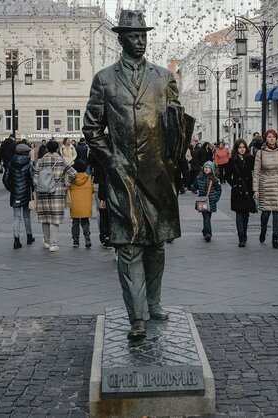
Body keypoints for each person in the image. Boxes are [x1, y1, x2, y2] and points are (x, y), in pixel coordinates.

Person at [83, 9, 189, 340]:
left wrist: (176, 124)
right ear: (121, 39)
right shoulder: (105, 79)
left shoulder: (163, 77)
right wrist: (111, 158)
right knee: (129, 247)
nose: (140, 40)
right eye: (133, 35)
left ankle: (154, 303)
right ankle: (136, 316)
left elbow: (176, 121)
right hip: (122, 175)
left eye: (143, 35)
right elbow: (91, 127)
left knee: (157, 245)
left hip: (157, 175)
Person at [35, 140, 76, 252]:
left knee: (45, 218)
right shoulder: (61, 161)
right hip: (56, 192)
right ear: (57, 148)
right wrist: (66, 185)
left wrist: (38, 187)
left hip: (43, 192)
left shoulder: (40, 161)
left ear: (47, 148)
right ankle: (53, 244)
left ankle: (47, 241)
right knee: (54, 219)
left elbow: (35, 178)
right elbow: (73, 173)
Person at [253, 129, 278, 249]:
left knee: (277, 212)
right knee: (265, 212)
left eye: (273, 137)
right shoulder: (260, 153)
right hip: (266, 183)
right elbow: (257, 172)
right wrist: (256, 189)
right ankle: (263, 230)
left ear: (277, 138)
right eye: (269, 137)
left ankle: (275, 237)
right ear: (266, 138)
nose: (272, 139)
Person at [226, 139, 256, 247]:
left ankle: (244, 232)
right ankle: (241, 236)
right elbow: (227, 176)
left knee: (246, 215)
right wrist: (234, 185)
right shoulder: (232, 160)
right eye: (240, 147)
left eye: (243, 147)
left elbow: (255, 173)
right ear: (236, 149)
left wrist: (255, 188)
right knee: (239, 214)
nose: (242, 149)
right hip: (237, 191)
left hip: (248, 190)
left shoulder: (250, 159)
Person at [6, 143, 35, 249]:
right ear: (24, 152)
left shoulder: (10, 163)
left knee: (16, 217)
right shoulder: (29, 164)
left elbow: (5, 179)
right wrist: (33, 190)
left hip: (15, 194)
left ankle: (16, 240)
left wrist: (12, 188)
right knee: (27, 217)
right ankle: (29, 236)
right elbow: (32, 179)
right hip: (26, 193)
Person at [192, 161, 222, 242]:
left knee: (207, 217)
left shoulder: (214, 179)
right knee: (206, 217)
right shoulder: (199, 178)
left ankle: (206, 232)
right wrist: (190, 186)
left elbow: (219, 189)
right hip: (202, 200)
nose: (206, 169)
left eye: (208, 167)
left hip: (211, 201)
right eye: (205, 167)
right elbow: (194, 186)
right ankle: (207, 232)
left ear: (211, 169)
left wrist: (216, 198)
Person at [69, 160, 94, 248]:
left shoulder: (72, 179)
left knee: (75, 222)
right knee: (85, 222)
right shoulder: (88, 178)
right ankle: (87, 237)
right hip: (85, 205)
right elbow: (93, 190)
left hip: (75, 205)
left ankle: (75, 240)